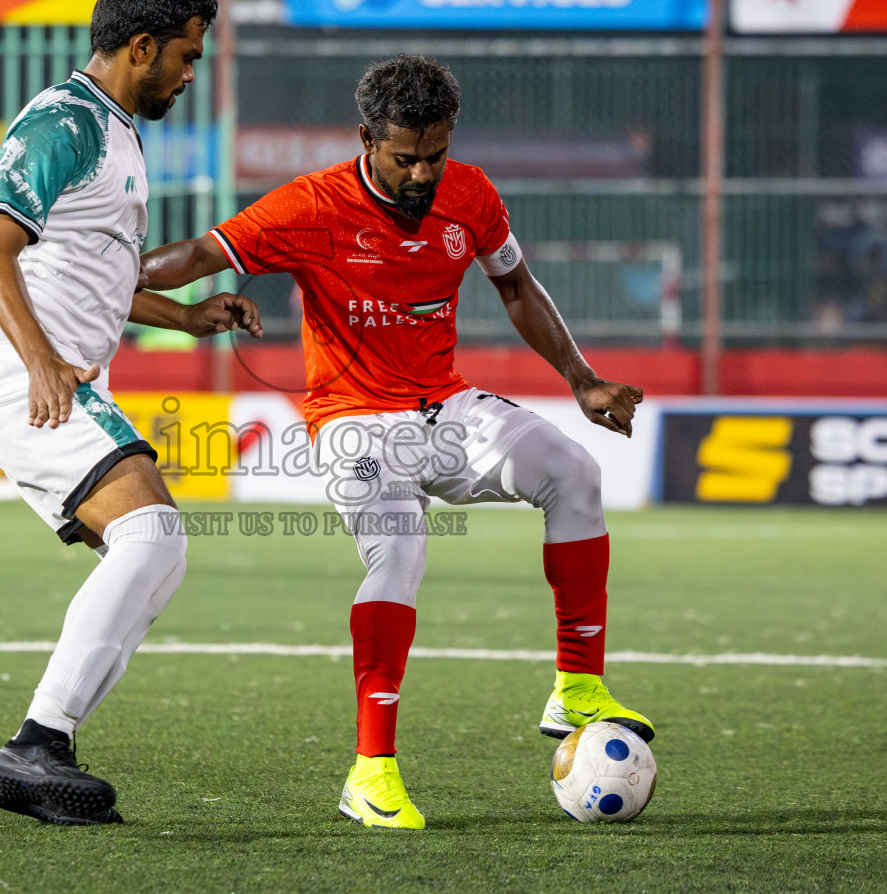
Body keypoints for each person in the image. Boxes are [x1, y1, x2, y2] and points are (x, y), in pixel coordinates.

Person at [140, 54, 651, 830]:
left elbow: (515, 284)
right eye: (405, 158)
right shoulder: (307, 206)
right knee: (401, 546)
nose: (421, 174)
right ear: (367, 139)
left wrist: (581, 379)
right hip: (350, 418)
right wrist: (111, 279)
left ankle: (576, 686)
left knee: (574, 471)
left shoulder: (471, 194)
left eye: (434, 156)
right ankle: (371, 773)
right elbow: (195, 258)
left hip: (445, 406)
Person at [0, 0, 260, 826]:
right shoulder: (65, 121)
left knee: (158, 556)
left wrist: (185, 316)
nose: (191, 74)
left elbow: (89, 274)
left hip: (54, 370)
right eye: (187, 57)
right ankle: (37, 745)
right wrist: (44, 362)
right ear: (142, 47)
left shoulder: (116, 134)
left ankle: (48, 745)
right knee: (153, 532)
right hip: (23, 372)